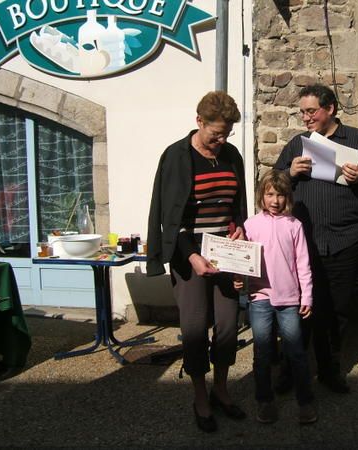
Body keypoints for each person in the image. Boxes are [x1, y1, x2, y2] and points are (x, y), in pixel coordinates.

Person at [274, 83, 358, 393]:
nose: (306, 118)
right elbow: (273, 183)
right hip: (303, 242)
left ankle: (330, 369)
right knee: (298, 307)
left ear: (330, 109)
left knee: (337, 310)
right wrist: (290, 173)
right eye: (302, 112)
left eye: (311, 111)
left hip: (345, 239)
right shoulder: (298, 144)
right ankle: (290, 370)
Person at [146, 91, 247, 433]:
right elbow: (170, 217)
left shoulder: (231, 155)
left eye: (227, 134)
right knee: (193, 330)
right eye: (216, 134)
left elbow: (237, 202)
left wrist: (239, 227)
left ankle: (221, 389)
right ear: (199, 121)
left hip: (225, 251)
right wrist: (192, 256)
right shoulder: (176, 156)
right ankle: (200, 396)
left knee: (228, 326)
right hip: (189, 253)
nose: (222, 141)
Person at [234, 170, 317, 425]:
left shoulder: (294, 225)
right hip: (259, 297)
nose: (275, 200)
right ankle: (265, 401)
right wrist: (237, 279)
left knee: (296, 353)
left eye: (280, 195)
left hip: (289, 300)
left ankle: (305, 402)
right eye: (270, 194)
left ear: (287, 197)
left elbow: (303, 264)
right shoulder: (250, 225)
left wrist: (307, 296)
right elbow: (241, 258)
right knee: (262, 353)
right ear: (261, 195)